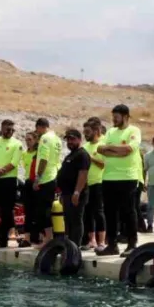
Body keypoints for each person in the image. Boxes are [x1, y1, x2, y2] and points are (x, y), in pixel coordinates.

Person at [98, 104, 142, 257]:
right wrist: (119, 151)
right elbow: (101, 149)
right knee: (110, 212)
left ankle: (132, 244)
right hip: (109, 177)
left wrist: (112, 149)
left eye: (116, 117)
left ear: (125, 117)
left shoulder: (134, 131)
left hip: (127, 177)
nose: (113, 120)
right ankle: (112, 245)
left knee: (128, 211)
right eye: (113, 117)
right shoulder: (110, 131)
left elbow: (129, 149)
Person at [0, 119, 23, 248]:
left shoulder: (17, 144)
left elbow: (14, 163)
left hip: (8, 181)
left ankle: (3, 239)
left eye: (12, 130)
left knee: (6, 211)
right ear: (2, 128)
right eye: (8, 129)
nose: (10, 132)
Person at [57, 128, 91, 246]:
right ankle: (69, 244)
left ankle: (75, 245)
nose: (70, 142)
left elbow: (83, 174)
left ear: (79, 140)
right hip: (67, 193)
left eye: (72, 139)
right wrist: (63, 193)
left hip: (76, 194)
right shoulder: (70, 155)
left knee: (76, 220)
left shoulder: (82, 154)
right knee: (68, 220)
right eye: (68, 139)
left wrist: (77, 192)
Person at [32, 118, 61, 246]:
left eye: (37, 129)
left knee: (43, 211)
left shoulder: (44, 138)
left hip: (46, 178)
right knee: (46, 209)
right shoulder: (57, 139)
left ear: (40, 127)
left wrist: (38, 177)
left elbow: (43, 159)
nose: (36, 132)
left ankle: (48, 239)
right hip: (54, 175)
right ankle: (49, 238)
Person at [82, 118, 107, 248]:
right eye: (84, 132)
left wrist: (91, 158)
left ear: (96, 131)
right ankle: (92, 240)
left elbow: (105, 164)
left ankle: (102, 241)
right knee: (88, 212)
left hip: (99, 182)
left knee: (99, 211)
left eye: (87, 132)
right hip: (87, 183)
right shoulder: (85, 147)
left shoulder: (104, 144)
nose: (85, 134)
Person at [18, 132, 39, 245]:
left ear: (35, 140)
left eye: (30, 139)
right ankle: (27, 238)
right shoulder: (25, 154)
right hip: (27, 182)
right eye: (26, 140)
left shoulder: (39, 153)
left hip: (37, 182)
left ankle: (37, 236)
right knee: (28, 211)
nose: (27, 142)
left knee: (37, 211)